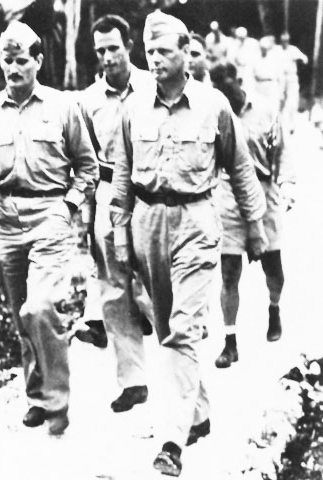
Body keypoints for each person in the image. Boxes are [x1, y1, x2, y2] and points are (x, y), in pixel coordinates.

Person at [110, 11, 267, 477]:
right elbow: (121, 177)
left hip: (198, 220)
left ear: (184, 51)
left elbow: (239, 167)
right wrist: (120, 233)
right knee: (165, 329)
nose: (154, 59)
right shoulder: (133, 108)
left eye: (163, 50)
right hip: (148, 221)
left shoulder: (213, 104)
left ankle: (170, 441)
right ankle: (197, 413)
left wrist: (255, 224)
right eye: (149, 51)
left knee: (184, 327)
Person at [0, 21, 99, 435]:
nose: (13, 69)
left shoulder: (61, 107)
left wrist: (69, 205)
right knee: (22, 318)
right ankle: (35, 394)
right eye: (6, 60)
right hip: (6, 219)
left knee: (38, 307)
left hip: (51, 213)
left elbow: (87, 167)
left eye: (21, 61)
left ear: (38, 61)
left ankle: (57, 404)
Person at [77, 15, 154, 413]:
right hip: (110, 193)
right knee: (113, 286)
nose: (107, 57)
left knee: (156, 280)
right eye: (100, 51)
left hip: (153, 193)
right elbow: (87, 164)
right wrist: (88, 219)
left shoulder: (153, 88)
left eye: (114, 48)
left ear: (130, 47)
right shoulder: (88, 102)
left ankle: (171, 338)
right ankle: (133, 380)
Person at [211, 65, 296, 369]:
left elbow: (283, 151)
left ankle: (274, 308)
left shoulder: (265, 110)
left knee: (274, 270)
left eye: (227, 86)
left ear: (239, 82)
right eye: (217, 88)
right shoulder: (212, 113)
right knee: (229, 273)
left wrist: (287, 185)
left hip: (264, 191)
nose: (223, 94)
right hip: (227, 195)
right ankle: (230, 342)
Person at [276, 32, 308, 134]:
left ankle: (291, 124)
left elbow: (304, 58)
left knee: (292, 102)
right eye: (282, 41)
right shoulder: (277, 49)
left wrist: (301, 59)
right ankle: (277, 123)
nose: (284, 43)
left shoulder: (293, 49)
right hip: (280, 77)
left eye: (286, 41)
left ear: (288, 41)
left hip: (291, 77)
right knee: (278, 100)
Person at [252, 36, 285, 116]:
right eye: (262, 48)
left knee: (273, 110)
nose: (263, 50)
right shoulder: (256, 58)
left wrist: (281, 92)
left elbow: (281, 77)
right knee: (259, 110)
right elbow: (252, 74)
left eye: (265, 48)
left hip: (271, 86)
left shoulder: (275, 59)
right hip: (259, 86)